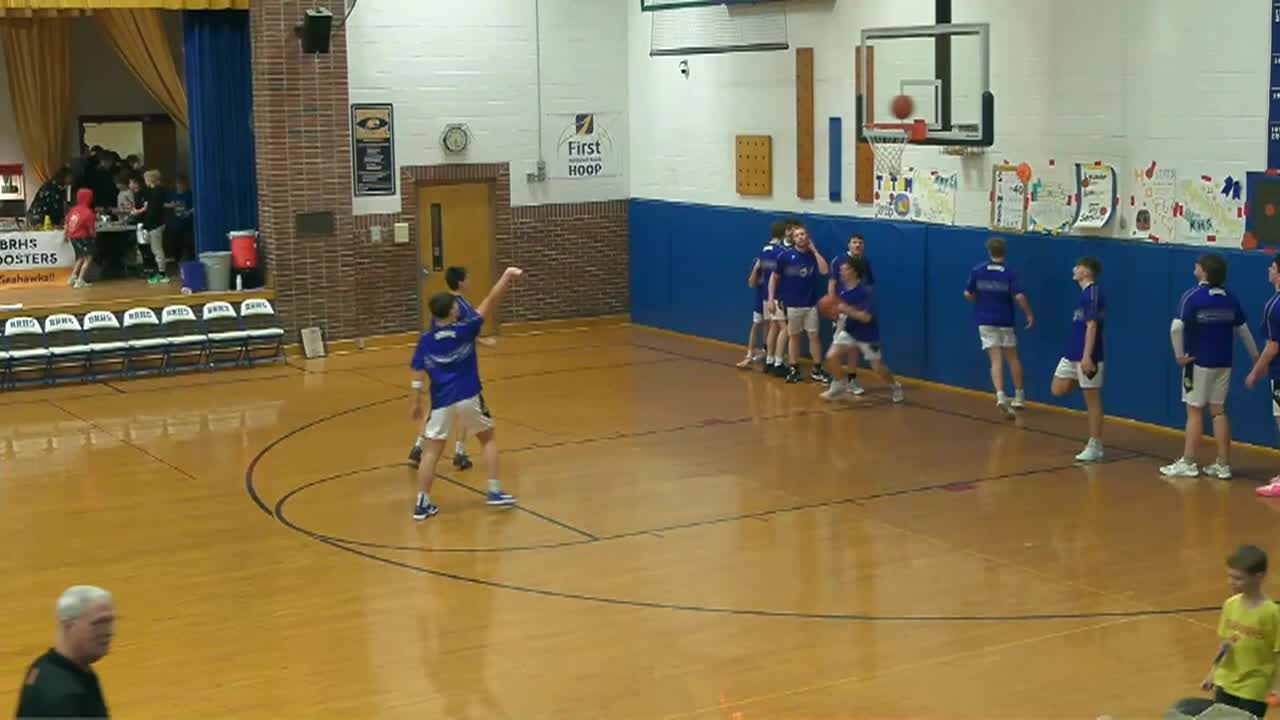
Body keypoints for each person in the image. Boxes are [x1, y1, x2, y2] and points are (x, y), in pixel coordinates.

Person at [408, 266, 524, 520]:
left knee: (431, 452)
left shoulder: (425, 340)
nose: (458, 307)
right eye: (454, 306)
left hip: (441, 402)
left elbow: (417, 373)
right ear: (451, 312)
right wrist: (506, 276)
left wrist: (415, 402)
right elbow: (490, 300)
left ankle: (421, 503)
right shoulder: (465, 330)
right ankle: (494, 491)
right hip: (469, 395)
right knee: (488, 439)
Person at [1162, 254, 1258, 479]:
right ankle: (1223, 464)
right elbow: (1243, 330)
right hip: (1224, 363)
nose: (1195, 266)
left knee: (1194, 410)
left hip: (1198, 362)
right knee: (1218, 411)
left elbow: (1176, 328)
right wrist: (1256, 356)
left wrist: (1179, 356)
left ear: (1204, 272)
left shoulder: (1192, 296)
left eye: (1198, 265)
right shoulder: (1230, 298)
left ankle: (1188, 462)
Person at [408, 266, 496, 470]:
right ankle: (459, 451)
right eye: (468, 278)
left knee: (436, 406)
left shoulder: (441, 304)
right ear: (461, 282)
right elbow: (466, 333)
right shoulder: (460, 306)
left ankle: (419, 446)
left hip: (439, 365)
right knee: (465, 403)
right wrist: (484, 342)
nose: (471, 281)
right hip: (457, 367)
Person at [1200, 545, 1280, 718]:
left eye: (1238, 578)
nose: (1231, 582)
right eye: (1229, 576)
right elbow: (1226, 644)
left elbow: (1278, 652)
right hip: (1225, 681)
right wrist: (1213, 672)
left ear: (1259, 577)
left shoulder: (1272, 613)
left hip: (1254, 686)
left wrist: (1277, 687)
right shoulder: (1230, 604)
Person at [15, 585, 114, 718]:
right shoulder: (66, 697)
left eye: (110, 621)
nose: (109, 632)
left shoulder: (40, 667)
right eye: (99, 623)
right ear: (69, 626)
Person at [964, 237, 1034, 417]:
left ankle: (1001, 395)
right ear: (1005, 251)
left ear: (989, 251)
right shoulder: (1010, 272)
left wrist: (980, 302)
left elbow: (968, 293)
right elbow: (1019, 297)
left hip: (985, 320)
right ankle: (1019, 396)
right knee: (1012, 358)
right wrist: (1028, 314)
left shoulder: (978, 270)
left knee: (995, 360)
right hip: (1005, 320)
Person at [821, 256, 903, 403]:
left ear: (854, 272)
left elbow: (866, 318)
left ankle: (895, 386)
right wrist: (833, 313)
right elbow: (839, 310)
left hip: (868, 335)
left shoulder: (865, 292)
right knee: (831, 356)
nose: (841, 272)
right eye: (840, 270)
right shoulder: (841, 291)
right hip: (850, 331)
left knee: (877, 367)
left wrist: (847, 309)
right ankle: (838, 384)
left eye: (845, 269)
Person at [1050, 257, 1106, 462]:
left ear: (1087, 272)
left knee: (1092, 399)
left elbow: (1092, 326)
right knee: (1057, 388)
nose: (1074, 269)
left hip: (1088, 355)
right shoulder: (1084, 294)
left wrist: (1087, 356)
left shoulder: (1092, 294)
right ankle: (1085, 382)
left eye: (1078, 266)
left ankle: (1095, 445)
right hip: (1072, 353)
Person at [767, 223, 829, 384]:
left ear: (808, 237)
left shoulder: (812, 255)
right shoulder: (786, 256)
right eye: (797, 235)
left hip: (810, 304)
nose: (801, 237)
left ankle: (817, 369)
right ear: (793, 239)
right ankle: (793, 368)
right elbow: (774, 278)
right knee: (794, 337)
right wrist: (771, 299)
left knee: (814, 336)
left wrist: (815, 251)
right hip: (792, 304)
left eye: (803, 234)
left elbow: (824, 270)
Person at [828, 233, 876, 395]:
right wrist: (833, 305)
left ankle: (851, 380)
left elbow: (869, 285)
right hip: (842, 309)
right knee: (837, 346)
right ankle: (836, 380)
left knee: (854, 348)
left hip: (858, 310)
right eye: (854, 242)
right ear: (848, 244)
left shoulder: (865, 262)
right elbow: (832, 283)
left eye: (860, 243)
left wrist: (866, 306)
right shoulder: (839, 260)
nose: (857, 245)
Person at [1248, 256, 1280, 497]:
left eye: (1273, 267)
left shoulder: (1274, 305)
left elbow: (1272, 347)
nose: (1269, 269)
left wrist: (1254, 372)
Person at [129, 170, 169, 284]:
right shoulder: (153, 192)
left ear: (151, 180)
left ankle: (162, 273)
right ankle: (160, 271)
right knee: (155, 249)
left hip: (156, 224)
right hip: (153, 224)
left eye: (146, 179)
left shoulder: (157, 192)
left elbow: (153, 210)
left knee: (157, 249)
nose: (145, 181)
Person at [736, 255, 768, 369]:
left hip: (774, 302)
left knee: (770, 327)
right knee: (756, 325)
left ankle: (767, 353)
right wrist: (756, 268)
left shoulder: (780, 259)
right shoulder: (758, 261)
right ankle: (749, 355)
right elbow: (751, 283)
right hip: (760, 301)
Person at [64, 188, 98, 289]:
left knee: (80, 257)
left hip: (73, 237)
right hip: (84, 237)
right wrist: (94, 235)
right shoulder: (88, 213)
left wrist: (66, 234)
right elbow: (91, 229)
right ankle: (80, 280)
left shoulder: (73, 210)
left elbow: (67, 223)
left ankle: (73, 277)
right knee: (88, 257)